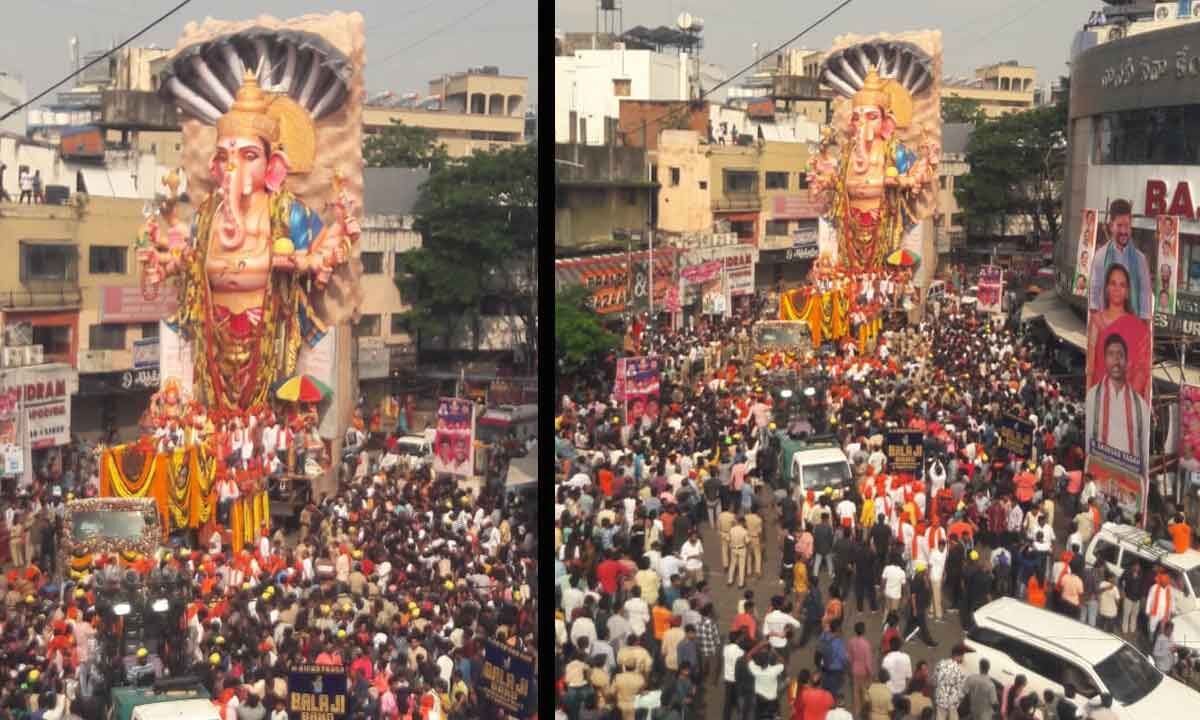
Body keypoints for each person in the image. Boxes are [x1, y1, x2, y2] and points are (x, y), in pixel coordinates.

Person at [1084, 331, 1148, 463]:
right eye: (1111, 354)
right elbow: (1088, 442)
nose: (1116, 361)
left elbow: (1144, 451)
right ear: (1105, 359)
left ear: (1126, 361)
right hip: (1100, 475)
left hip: (1129, 478)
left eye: (1120, 355)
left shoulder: (1140, 406)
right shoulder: (1092, 397)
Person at [1089, 198, 1152, 320]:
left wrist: (1144, 328)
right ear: (1111, 226)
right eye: (1119, 226)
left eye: (1127, 226)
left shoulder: (1140, 260)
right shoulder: (1100, 257)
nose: (1123, 231)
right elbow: (1094, 298)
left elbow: (1145, 297)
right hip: (1106, 326)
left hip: (1132, 326)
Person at [932, 644, 969, 720]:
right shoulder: (961, 670)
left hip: (940, 699)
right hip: (953, 703)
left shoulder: (941, 663)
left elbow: (934, 681)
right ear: (959, 656)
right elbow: (962, 691)